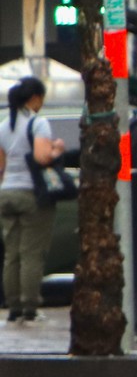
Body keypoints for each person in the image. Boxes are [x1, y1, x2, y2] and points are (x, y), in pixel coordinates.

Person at [0, 76, 63, 323]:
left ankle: (13, 305)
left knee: (11, 253)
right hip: (31, 194)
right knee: (32, 253)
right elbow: (41, 156)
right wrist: (56, 148)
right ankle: (30, 306)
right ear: (34, 98)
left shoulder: (3, 126)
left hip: (6, 194)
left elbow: (1, 166)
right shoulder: (38, 124)